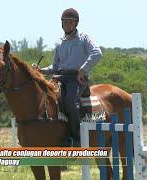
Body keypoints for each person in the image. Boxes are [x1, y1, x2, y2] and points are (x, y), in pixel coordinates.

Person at [32, 8, 102, 146]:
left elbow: (97, 53)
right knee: (46, 99)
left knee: (70, 102)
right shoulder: (59, 42)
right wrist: (41, 70)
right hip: (59, 78)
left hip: (77, 79)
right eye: (65, 22)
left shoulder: (84, 38)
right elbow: (55, 67)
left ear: (76, 24)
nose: (67, 24)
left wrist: (83, 69)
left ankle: (77, 138)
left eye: (70, 22)